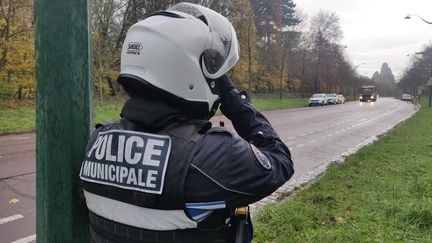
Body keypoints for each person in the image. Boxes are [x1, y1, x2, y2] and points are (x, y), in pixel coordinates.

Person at [79, 2, 294, 243]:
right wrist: (236, 103)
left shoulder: (98, 140)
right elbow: (280, 162)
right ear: (185, 69)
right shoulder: (214, 155)